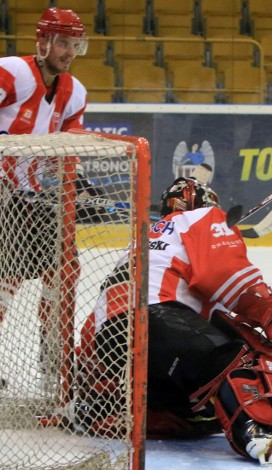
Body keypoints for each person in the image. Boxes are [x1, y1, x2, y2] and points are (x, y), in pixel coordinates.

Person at [76, 177, 272, 464]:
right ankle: (265, 435)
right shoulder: (202, 217)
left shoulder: (146, 240)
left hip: (113, 345)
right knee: (235, 356)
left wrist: (89, 375)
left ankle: (131, 410)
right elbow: (226, 277)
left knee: (208, 410)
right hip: (155, 321)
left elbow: (101, 321)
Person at [0, 8, 92, 382]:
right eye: (63, 43)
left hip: (31, 198)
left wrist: (78, 182)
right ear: (43, 41)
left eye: (75, 44)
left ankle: (51, 351)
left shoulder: (75, 93)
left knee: (65, 269)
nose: (69, 51)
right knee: (5, 280)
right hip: (3, 197)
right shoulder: (12, 72)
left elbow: (67, 150)